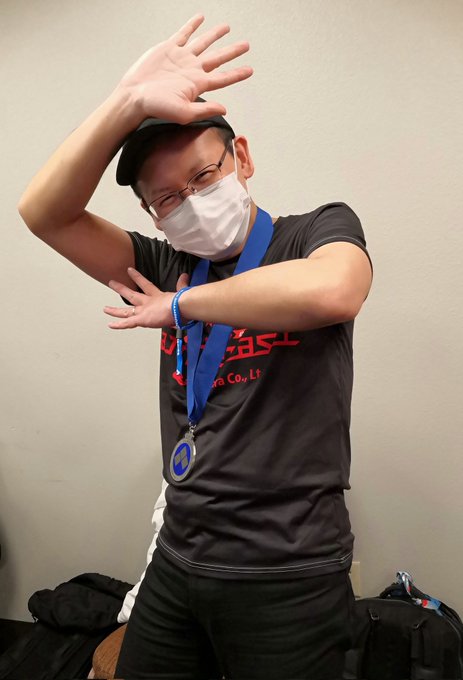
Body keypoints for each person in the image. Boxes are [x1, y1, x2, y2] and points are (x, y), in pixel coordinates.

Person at [18, 14, 373, 680]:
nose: (191, 203)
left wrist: (180, 306)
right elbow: (44, 213)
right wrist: (125, 102)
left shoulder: (313, 232)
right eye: (168, 200)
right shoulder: (165, 262)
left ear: (242, 158)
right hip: (178, 559)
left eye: (204, 177)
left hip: (290, 571)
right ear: (152, 216)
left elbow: (336, 290)